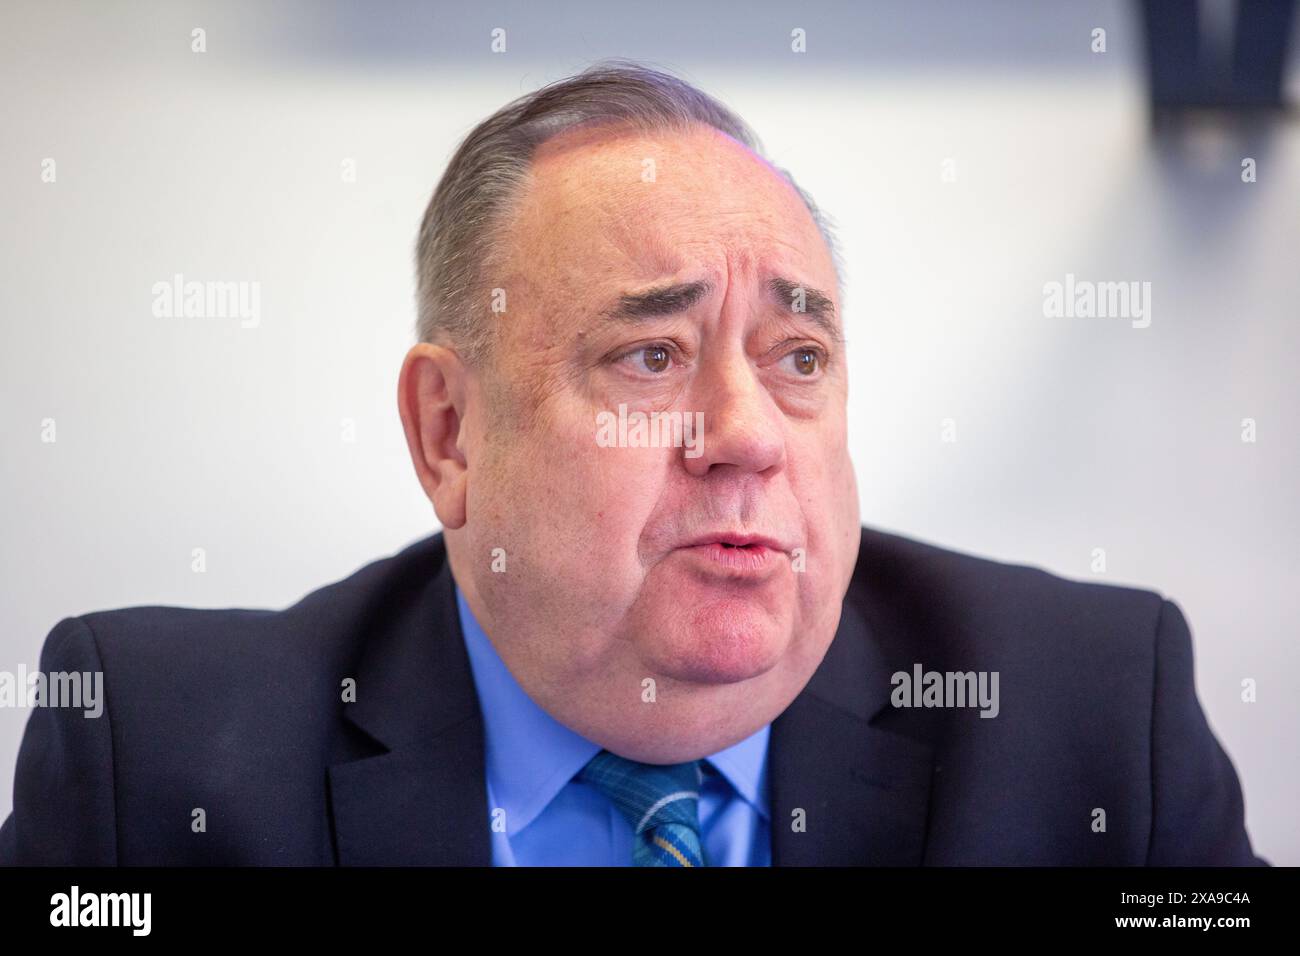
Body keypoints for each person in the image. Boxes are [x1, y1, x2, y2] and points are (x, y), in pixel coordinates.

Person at [0, 60, 1265, 866]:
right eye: (650, 357)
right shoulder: (158, 765)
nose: (751, 435)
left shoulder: (1091, 718)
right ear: (450, 433)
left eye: (799, 356)